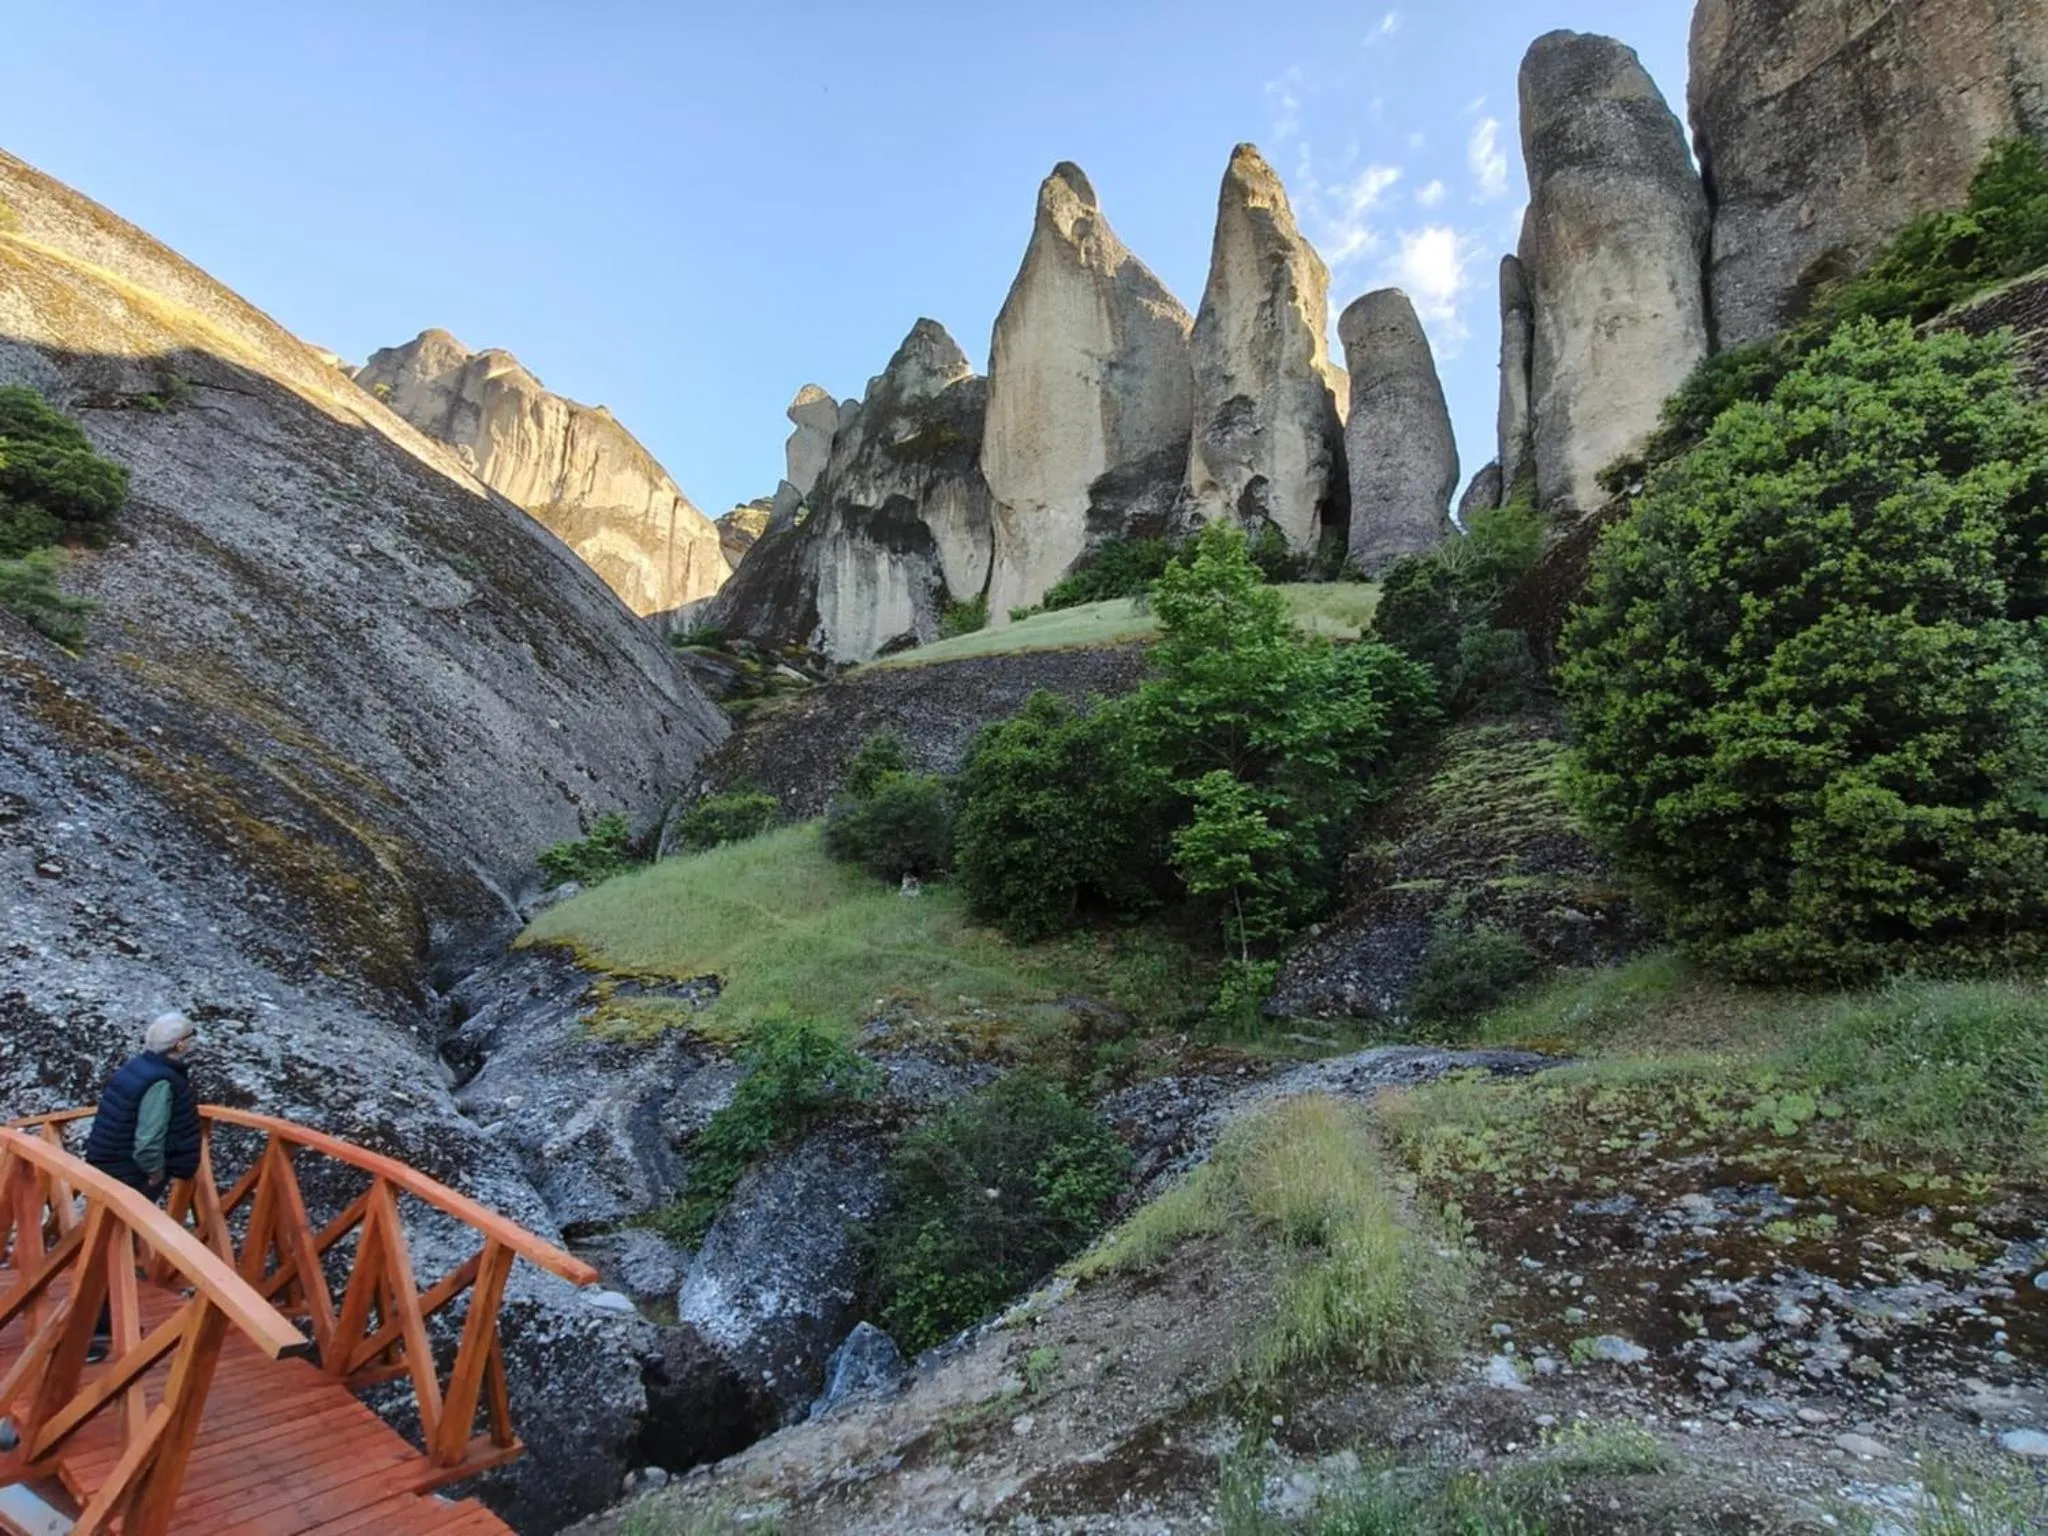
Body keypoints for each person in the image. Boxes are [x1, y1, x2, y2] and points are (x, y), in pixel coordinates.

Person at [81, 1011, 203, 1358]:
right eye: (191, 1037)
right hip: (129, 1176)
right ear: (180, 1044)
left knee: (108, 1247)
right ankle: (91, 1333)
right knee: (115, 1250)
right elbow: (149, 1139)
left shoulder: (137, 1068)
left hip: (107, 1166)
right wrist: (153, 1173)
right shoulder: (164, 1081)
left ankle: (102, 1323)